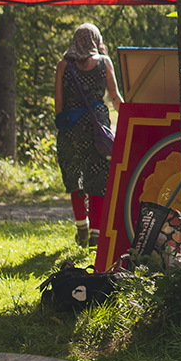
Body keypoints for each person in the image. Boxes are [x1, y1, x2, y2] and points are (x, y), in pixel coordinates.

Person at [54, 23, 123, 248]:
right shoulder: (105, 63)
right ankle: (95, 233)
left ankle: (81, 228)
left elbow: (59, 104)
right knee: (98, 178)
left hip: (71, 130)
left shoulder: (63, 65)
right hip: (97, 130)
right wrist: (130, 117)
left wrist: (63, 126)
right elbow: (115, 97)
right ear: (96, 40)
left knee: (75, 179)